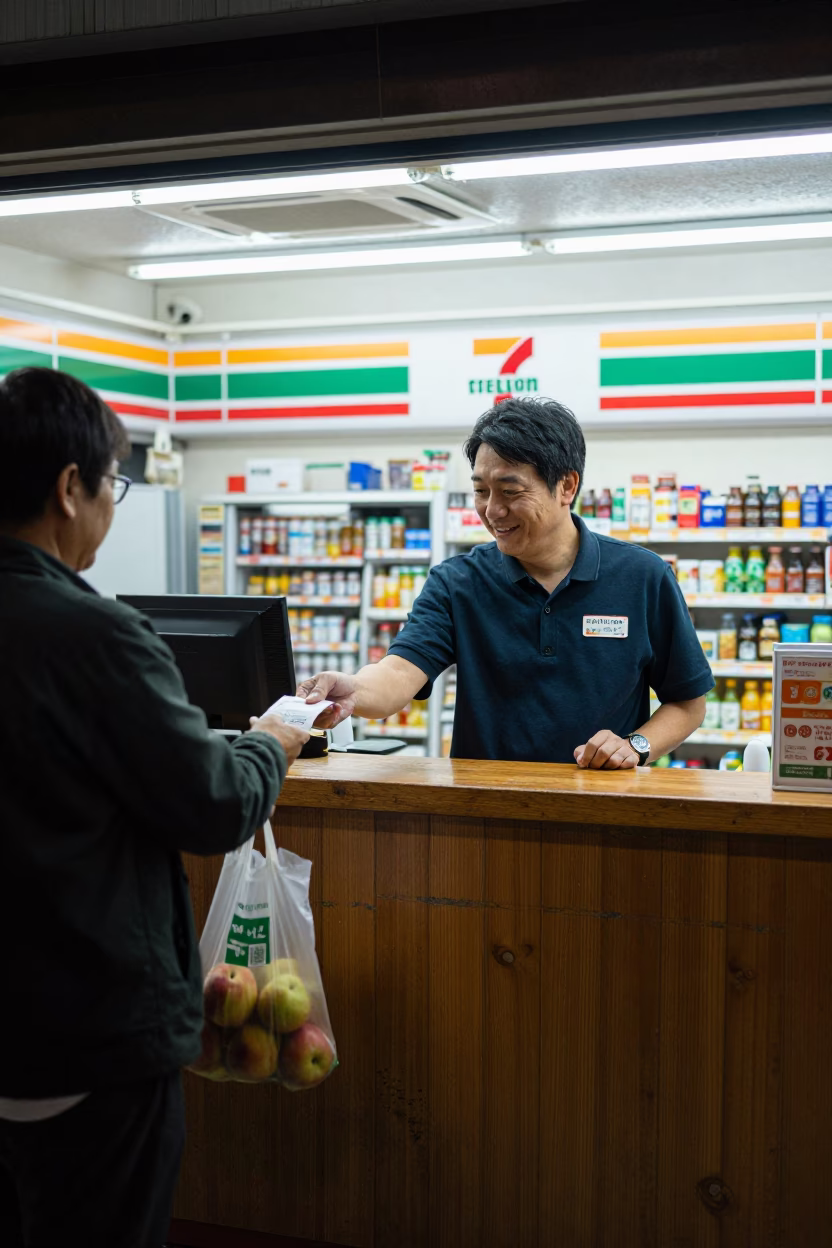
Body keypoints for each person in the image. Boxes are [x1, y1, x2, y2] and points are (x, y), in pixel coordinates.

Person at [0, 367, 308, 1248]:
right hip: (85, 1032)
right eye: (112, 484)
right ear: (69, 488)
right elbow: (213, 807)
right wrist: (269, 743)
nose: (110, 507)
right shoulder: (92, 633)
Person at [301, 397, 712, 767]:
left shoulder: (642, 576)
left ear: (566, 486)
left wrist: (636, 744)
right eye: (481, 491)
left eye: (510, 491)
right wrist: (352, 689)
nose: (493, 511)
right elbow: (398, 675)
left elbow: (688, 702)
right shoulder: (457, 582)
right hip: (485, 814)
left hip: (604, 810)